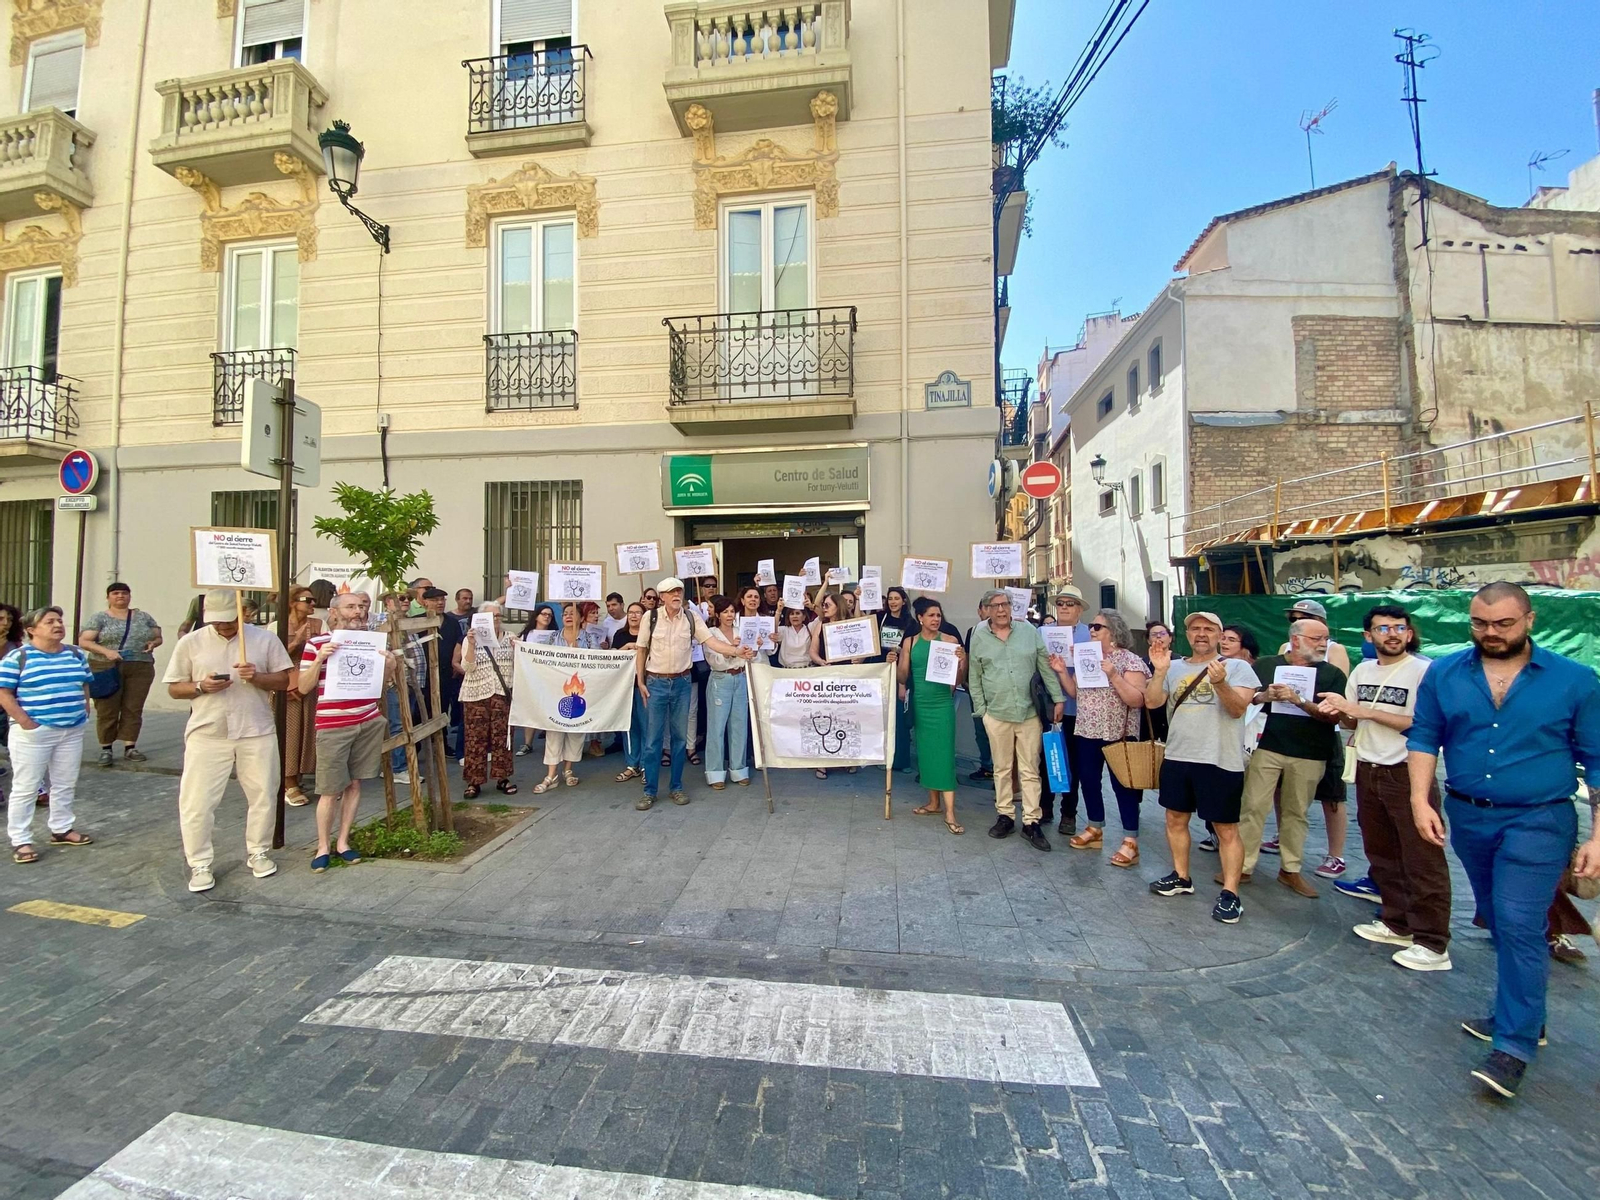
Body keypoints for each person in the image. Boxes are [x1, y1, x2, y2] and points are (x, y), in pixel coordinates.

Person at [1407, 581, 1600, 1099]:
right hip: (1469, 819)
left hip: (1539, 820)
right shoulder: (1444, 672)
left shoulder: (1575, 680)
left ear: (1529, 620)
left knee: (1517, 921)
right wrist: (1419, 800)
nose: (1490, 633)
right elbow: (1425, 735)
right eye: (1480, 623)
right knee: (1499, 916)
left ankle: (1513, 1045)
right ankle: (1526, 1013)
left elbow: (1599, 762)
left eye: (1503, 624)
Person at [1314, 603, 1448, 971]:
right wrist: (1336, 709)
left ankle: (1433, 942)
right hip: (1368, 769)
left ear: (1409, 632)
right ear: (1368, 636)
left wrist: (1364, 712)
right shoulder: (1362, 669)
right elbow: (1350, 718)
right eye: (1383, 628)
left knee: (1422, 858)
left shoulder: (1425, 671)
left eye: (1399, 627)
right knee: (1382, 853)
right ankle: (1396, 923)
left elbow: (1423, 725)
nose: (1392, 634)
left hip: (1408, 772)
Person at [162, 591, 293, 890]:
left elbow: (285, 680)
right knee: (197, 802)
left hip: (256, 729)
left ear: (242, 614)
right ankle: (199, 864)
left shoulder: (264, 640)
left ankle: (258, 852)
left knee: (263, 794)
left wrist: (257, 677)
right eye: (216, 622)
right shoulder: (191, 642)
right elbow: (174, 687)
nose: (223, 627)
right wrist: (200, 686)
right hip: (208, 731)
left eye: (228, 621)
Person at [1145, 611, 1259, 924]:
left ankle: (1231, 893)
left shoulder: (1237, 668)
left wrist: (1220, 682)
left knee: (1225, 828)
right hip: (1179, 755)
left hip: (1220, 759)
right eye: (1195, 628)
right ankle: (1182, 877)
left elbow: (1237, 710)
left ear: (1220, 635)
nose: (1201, 634)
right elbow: (1153, 703)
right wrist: (1159, 672)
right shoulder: (1174, 667)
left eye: (1209, 629)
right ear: (1187, 635)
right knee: (1175, 818)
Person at [1238, 619, 1347, 899]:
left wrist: (1299, 701)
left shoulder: (1333, 674)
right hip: (1267, 747)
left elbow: (1335, 716)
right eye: (1317, 638)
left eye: (1325, 638)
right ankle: (1242, 866)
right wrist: (1265, 695)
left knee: (1296, 813)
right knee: (1252, 807)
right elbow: (1247, 700)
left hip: (1311, 752)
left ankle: (1291, 869)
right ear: (1296, 640)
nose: (1324, 643)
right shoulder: (1265, 665)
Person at [633, 577, 752, 810]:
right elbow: (641, 649)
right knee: (652, 740)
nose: (676, 594)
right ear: (663, 597)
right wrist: (640, 681)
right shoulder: (651, 617)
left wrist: (735, 650)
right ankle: (650, 791)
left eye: (679, 590)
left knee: (680, 739)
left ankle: (676, 787)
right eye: (671, 592)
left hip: (682, 682)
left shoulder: (691, 617)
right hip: (656, 682)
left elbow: (711, 642)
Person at [299, 592, 394, 872]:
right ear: (335, 611)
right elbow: (303, 687)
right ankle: (322, 846)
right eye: (351, 606)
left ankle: (343, 842)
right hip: (333, 725)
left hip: (367, 720)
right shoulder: (317, 643)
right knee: (330, 790)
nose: (358, 611)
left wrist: (389, 667)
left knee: (355, 784)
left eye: (362, 606)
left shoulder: (372, 642)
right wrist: (319, 660)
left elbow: (382, 686)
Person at [1049, 608, 1151, 868]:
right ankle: (1095, 827)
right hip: (1087, 730)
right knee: (1089, 781)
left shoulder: (1130, 661)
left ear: (1114, 632)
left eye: (1097, 627)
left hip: (1119, 734)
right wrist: (1061, 671)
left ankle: (1130, 840)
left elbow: (1137, 700)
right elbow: (1074, 692)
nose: (1091, 630)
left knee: (1124, 787)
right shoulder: (1086, 657)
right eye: (1092, 626)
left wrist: (1113, 674)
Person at [968, 589, 1064, 852]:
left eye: (1005, 604)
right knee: (1001, 768)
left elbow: (1044, 666)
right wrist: (982, 711)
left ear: (1011, 607)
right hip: (997, 714)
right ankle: (1006, 816)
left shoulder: (1028, 632)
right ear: (986, 609)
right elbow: (975, 676)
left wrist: (1058, 699)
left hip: (1028, 713)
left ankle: (1031, 821)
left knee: (1030, 769)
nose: (1001, 610)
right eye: (995, 605)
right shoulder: (979, 637)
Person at [1, 606, 94, 863]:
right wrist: (25, 721)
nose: (57, 625)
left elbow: (84, 682)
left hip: (71, 730)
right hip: (35, 733)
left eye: (59, 620)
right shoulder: (19, 657)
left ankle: (62, 828)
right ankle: (21, 840)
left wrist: (85, 708)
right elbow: (4, 692)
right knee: (27, 787)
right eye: (49, 621)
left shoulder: (76, 654)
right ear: (31, 630)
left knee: (65, 782)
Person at [894, 596, 966, 833]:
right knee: (926, 754)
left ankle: (951, 813)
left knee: (944, 755)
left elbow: (958, 680)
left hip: (942, 703)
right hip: (921, 704)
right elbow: (903, 677)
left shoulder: (950, 641)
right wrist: (895, 662)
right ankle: (934, 803)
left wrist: (962, 662)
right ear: (920, 618)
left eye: (938, 615)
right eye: (932, 615)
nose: (936, 619)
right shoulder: (910, 642)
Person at [79, 582, 162, 767]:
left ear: (130, 596)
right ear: (108, 597)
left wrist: (153, 643)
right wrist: (106, 651)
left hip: (140, 665)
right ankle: (106, 748)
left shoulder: (143, 616)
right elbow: (84, 641)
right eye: (115, 593)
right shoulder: (100, 618)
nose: (120, 596)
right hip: (106, 666)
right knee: (107, 708)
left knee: (133, 707)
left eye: (124, 593)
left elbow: (157, 636)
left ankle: (130, 746)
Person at [531, 602, 609, 794]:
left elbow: (598, 661)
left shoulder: (589, 639)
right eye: (565, 613)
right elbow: (540, 659)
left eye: (572, 613)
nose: (567, 616)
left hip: (580, 692)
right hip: (556, 692)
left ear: (581, 618)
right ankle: (551, 775)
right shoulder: (552, 638)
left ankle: (568, 770)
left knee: (575, 731)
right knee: (554, 730)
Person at [454, 601, 516, 799]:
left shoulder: (510, 638)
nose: (496, 620)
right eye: (491, 616)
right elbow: (467, 667)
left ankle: (502, 777)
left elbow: (521, 664)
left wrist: (519, 648)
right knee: (475, 739)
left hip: (501, 694)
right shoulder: (470, 639)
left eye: (498, 616)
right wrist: (471, 645)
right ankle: (474, 781)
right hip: (475, 694)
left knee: (502, 738)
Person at [1045, 588, 1091, 833]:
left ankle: (1069, 813)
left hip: (1078, 709)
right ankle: (1044, 807)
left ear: (1079, 609)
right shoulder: (1043, 632)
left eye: (1070, 604)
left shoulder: (1090, 635)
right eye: (1061, 603)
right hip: (1048, 706)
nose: (1064, 607)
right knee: (1045, 760)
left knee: (1073, 764)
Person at [808, 592, 866, 780]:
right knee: (826, 717)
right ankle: (824, 762)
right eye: (824, 605)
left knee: (846, 717)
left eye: (827, 605)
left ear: (837, 606)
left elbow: (863, 649)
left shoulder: (852, 624)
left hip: (848, 677)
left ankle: (848, 759)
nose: (824, 608)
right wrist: (821, 662)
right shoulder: (821, 625)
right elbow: (813, 651)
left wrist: (859, 659)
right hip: (827, 676)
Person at [703, 596, 752, 789]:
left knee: (739, 724)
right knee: (716, 726)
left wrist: (750, 649)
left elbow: (750, 656)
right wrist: (732, 650)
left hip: (740, 677)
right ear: (718, 614)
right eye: (725, 612)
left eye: (732, 611)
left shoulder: (741, 631)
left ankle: (739, 769)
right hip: (720, 679)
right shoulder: (710, 633)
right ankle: (715, 772)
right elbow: (713, 659)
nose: (729, 615)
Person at [281, 587, 321, 806]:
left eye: (314, 600)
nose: (312, 604)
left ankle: (299, 776)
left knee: (307, 731)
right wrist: (296, 642)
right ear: (292, 602)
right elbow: (273, 658)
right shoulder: (276, 626)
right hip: (286, 680)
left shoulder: (316, 624)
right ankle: (289, 783)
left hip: (309, 678)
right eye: (308, 600)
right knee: (290, 733)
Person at [878, 586, 919, 773]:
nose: (893, 602)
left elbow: (914, 652)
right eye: (890, 599)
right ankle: (885, 758)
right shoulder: (880, 619)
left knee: (901, 720)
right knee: (883, 719)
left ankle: (902, 761)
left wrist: (902, 653)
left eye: (897, 598)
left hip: (902, 675)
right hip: (881, 673)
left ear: (904, 601)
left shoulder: (911, 624)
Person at [420, 588, 464, 757]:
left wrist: (456, 665)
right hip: (423, 676)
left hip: (446, 674)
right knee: (420, 710)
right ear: (425, 602)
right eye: (435, 600)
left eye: (442, 600)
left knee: (443, 709)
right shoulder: (416, 622)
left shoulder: (451, 622)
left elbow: (458, 645)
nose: (440, 603)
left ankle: (442, 743)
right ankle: (416, 747)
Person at [515, 603, 558, 756]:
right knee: (531, 709)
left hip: (550, 676)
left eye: (549, 615)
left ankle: (553, 745)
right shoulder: (526, 635)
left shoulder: (556, 635)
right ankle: (527, 743)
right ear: (537, 616)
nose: (547, 617)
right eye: (544, 614)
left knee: (551, 708)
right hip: (531, 677)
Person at [612, 602, 647, 782]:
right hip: (625, 688)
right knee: (629, 726)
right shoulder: (620, 635)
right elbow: (612, 659)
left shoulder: (650, 634)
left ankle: (647, 766)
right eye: (631, 612)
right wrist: (624, 649)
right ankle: (632, 764)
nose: (634, 616)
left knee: (647, 726)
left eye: (638, 612)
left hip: (645, 686)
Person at [962, 595, 995, 783]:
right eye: (986, 608)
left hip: (997, 690)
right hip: (977, 690)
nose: (990, 612)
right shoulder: (972, 631)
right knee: (981, 730)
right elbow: (967, 656)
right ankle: (986, 765)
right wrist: (964, 680)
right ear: (980, 611)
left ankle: (1001, 770)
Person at [1143, 621, 1173, 742]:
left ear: (1170, 638)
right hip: (1148, 717)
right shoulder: (1140, 663)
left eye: (1162, 633)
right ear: (1148, 641)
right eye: (1154, 634)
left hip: (1171, 715)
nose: (1159, 637)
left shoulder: (1180, 661)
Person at [775, 604, 814, 668]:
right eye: (792, 614)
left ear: (804, 617)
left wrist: (812, 606)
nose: (794, 616)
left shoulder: (810, 628)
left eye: (797, 613)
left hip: (807, 669)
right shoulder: (784, 630)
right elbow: (773, 629)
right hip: (787, 671)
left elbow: (821, 618)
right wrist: (779, 610)